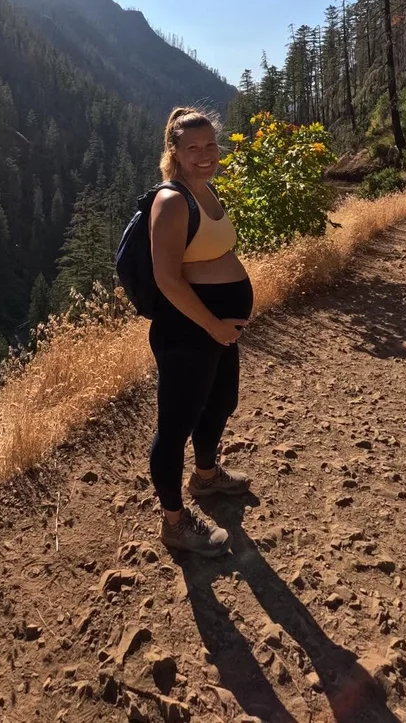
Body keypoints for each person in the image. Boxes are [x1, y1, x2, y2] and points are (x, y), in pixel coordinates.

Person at [148, 106, 253, 555]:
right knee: (175, 426)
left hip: (217, 329)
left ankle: (206, 478)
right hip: (189, 329)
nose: (206, 153)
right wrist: (212, 324)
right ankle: (175, 525)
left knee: (221, 402)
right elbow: (167, 279)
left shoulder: (206, 190)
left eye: (211, 144)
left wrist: (223, 325)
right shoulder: (172, 201)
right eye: (193, 147)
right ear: (174, 151)